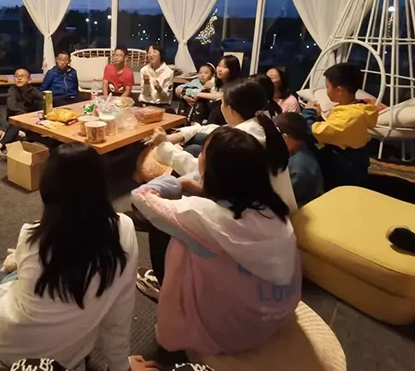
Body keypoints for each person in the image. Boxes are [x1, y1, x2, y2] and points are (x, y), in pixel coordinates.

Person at [0, 143, 138, 370]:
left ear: (47, 189)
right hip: (67, 359)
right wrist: (121, 366)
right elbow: (120, 310)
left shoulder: (31, 235)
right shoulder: (124, 229)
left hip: (6, 343)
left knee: (12, 278)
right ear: (101, 183)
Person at [131, 126, 300, 355]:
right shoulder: (273, 207)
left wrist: (179, 183)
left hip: (230, 331)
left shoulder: (201, 214)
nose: (199, 156)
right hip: (277, 313)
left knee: (171, 232)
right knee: (190, 235)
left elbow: (140, 197)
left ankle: (170, 295)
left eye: (203, 153)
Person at [147, 78, 297, 211]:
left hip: (256, 215)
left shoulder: (241, 140)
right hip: (275, 209)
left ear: (230, 109)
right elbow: (210, 129)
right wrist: (174, 137)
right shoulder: (261, 125)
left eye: (222, 102)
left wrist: (164, 146)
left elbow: (204, 170)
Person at [301, 63, 378, 190]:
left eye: (327, 87)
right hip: (356, 161)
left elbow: (311, 131)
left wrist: (309, 112)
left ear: (339, 90)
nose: (326, 91)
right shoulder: (359, 108)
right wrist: (319, 117)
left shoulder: (349, 117)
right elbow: (332, 130)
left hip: (345, 171)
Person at [274, 112, 323, 207]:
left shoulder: (300, 167)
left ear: (285, 137)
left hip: (305, 205)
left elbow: (288, 199)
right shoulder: (299, 147)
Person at [194, 55, 241, 125]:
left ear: (232, 70)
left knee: (219, 103)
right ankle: (196, 124)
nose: (219, 69)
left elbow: (223, 95)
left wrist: (199, 94)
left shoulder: (237, 85)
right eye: (219, 65)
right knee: (203, 96)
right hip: (212, 112)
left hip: (227, 117)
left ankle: (209, 127)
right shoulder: (215, 81)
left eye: (224, 67)